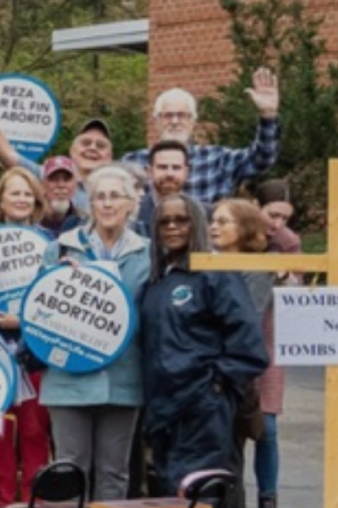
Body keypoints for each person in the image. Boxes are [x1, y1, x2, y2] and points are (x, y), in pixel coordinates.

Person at [140, 194, 267, 500]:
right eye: (164, 221)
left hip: (202, 404)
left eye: (181, 220)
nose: (172, 227)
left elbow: (248, 342)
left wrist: (216, 384)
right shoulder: (156, 278)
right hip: (162, 406)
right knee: (171, 491)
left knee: (201, 490)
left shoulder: (215, 273)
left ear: (197, 223)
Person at [43, 166, 152, 503]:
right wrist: (60, 283)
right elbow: (40, 312)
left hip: (123, 377)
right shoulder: (61, 249)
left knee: (114, 472)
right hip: (68, 378)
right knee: (69, 469)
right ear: (89, 204)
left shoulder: (148, 252)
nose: (107, 204)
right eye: (99, 197)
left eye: (115, 196)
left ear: (131, 203)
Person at [0, 167, 54, 508]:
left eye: (27, 194)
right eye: (15, 193)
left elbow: (57, 298)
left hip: (35, 350)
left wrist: (23, 320)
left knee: (35, 431)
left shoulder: (51, 244)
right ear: (1, 200)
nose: (21, 199)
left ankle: (35, 500)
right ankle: (3, 501)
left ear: (36, 201)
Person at [0, 68, 113, 215]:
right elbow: (7, 154)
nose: (92, 148)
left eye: (101, 145)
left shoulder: (119, 189)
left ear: (110, 156)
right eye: (85, 143)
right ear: (72, 150)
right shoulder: (44, 174)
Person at [121, 70, 283, 205]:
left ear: (193, 121)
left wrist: (268, 114)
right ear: (156, 121)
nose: (175, 121)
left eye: (182, 115)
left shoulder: (218, 159)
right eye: (168, 115)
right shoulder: (133, 162)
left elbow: (262, 159)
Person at [214, 198, 283, 508]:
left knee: (256, 433)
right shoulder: (208, 261)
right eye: (213, 221)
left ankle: (266, 497)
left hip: (245, 367)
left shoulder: (257, 269)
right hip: (220, 364)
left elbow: (246, 318)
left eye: (223, 221)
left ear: (244, 228)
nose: (214, 227)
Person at [138, 140, 195, 236]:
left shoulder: (205, 214)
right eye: (162, 167)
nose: (169, 174)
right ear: (149, 172)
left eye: (176, 167)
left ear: (186, 173)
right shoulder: (134, 214)